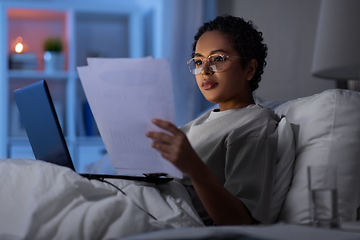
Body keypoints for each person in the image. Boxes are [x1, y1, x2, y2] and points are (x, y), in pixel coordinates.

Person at [146, 15, 278, 226]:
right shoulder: (200, 122)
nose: (205, 70)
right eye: (198, 62)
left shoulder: (254, 123)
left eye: (218, 59)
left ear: (249, 69)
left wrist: (192, 166)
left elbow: (240, 221)